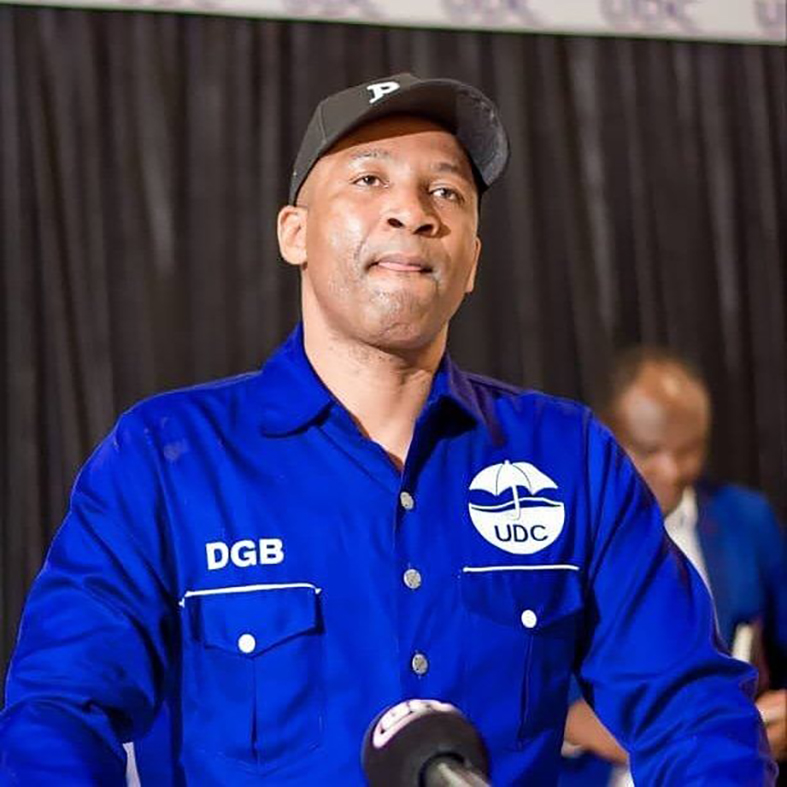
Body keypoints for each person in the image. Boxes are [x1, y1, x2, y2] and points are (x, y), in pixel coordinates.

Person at [0, 74, 776, 785]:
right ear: (294, 233)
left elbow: (691, 708)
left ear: (472, 260)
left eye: (446, 191)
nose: (413, 211)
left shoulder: (569, 457)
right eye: (368, 180)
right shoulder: (166, 458)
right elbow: (60, 709)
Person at [560, 346, 787, 786]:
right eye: (650, 450)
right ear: (605, 432)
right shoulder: (552, 533)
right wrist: (569, 721)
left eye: (689, 449)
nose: (672, 470)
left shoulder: (747, 521)